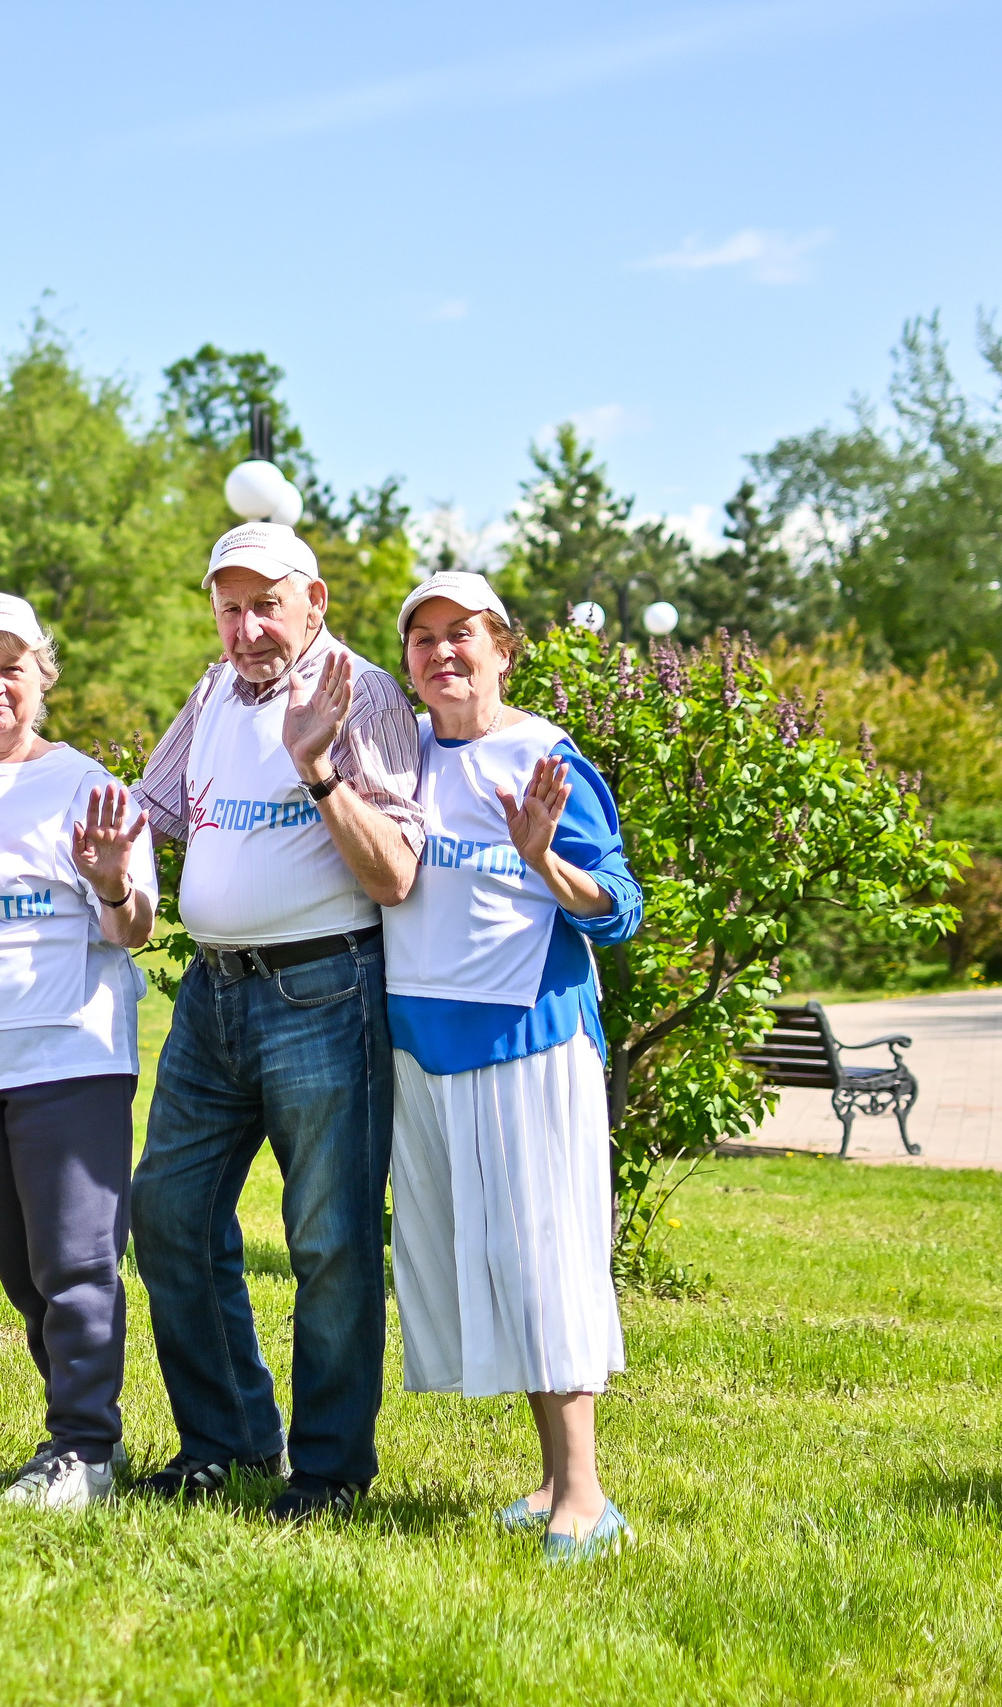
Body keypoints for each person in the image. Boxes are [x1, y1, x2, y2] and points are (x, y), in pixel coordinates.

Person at [126, 520, 426, 1523]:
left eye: (266, 604)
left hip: (323, 993)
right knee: (167, 1211)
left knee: (329, 1240)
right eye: (229, 607)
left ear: (315, 601)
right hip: (210, 994)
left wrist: (318, 769)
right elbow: (146, 814)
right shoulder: (213, 693)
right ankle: (227, 1443)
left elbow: (393, 872)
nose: (247, 627)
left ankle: (330, 1473)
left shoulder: (361, 693)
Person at [382, 570, 644, 1562]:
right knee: (489, 1266)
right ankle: (546, 1480)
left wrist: (542, 858)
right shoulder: (395, 753)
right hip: (424, 1042)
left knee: (544, 1263)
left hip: (528, 1036)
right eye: (423, 639)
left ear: (503, 648)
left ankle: (585, 1497)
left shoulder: (543, 754)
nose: (443, 651)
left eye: (463, 634)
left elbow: (617, 911)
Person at [0, 591, 158, 1512]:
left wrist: (112, 879)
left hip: (71, 1052)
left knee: (77, 1260)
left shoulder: (88, 784)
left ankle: (82, 1445)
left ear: (43, 673)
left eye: (14, 665)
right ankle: (83, 1433)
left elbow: (131, 931)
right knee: (20, 1266)